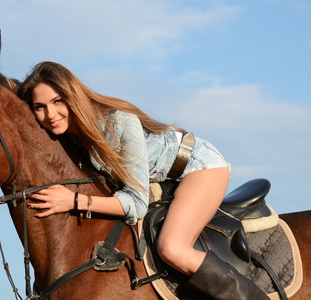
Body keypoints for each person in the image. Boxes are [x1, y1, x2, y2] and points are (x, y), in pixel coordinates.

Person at [17, 61, 268, 300]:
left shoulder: (117, 123)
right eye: (40, 107)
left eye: (57, 101)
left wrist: (73, 200)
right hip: (160, 179)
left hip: (197, 167)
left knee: (173, 249)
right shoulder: (69, 138)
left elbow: (136, 204)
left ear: (73, 96)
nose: (50, 114)